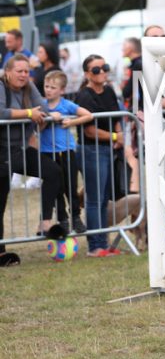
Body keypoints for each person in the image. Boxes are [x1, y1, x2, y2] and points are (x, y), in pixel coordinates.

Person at [0, 54, 66, 241]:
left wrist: (45, 114)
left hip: (20, 149)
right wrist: (29, 113)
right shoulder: (1, 86)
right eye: (19, 71)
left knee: (53, 171)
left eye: (26, 71)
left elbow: (43, 109)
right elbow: (1, 113)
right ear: (8, 72)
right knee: (0, 202)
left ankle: (44, 223)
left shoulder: (28, 86)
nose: (23, 75)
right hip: (2, 151)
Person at [74, 54, 125, 256]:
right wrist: (115, 136)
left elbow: (117, 116)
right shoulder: (84, 96)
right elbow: (89, 131)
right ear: (87, 74)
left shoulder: (109, 90)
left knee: (103, 199)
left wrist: (120, 136)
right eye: (96, 69)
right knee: (94, 200)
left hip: (107, 149)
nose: (102, 72)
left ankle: (103, 243)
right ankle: (95, 246)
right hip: (91, 150)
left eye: (105, 67)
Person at [39, 70, 93, 235]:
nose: (49, 90)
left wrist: (71, 122)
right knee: (56, 187)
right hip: (47, 152)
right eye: (47, 86)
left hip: (66, 151)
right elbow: (37, 127)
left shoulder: (67, 105)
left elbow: (88, 115)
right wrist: (48, 117)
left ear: (62, 90)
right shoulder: (40, 105)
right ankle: (62, 218)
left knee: (71, 186)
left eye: (53, 87)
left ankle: (76, 216)